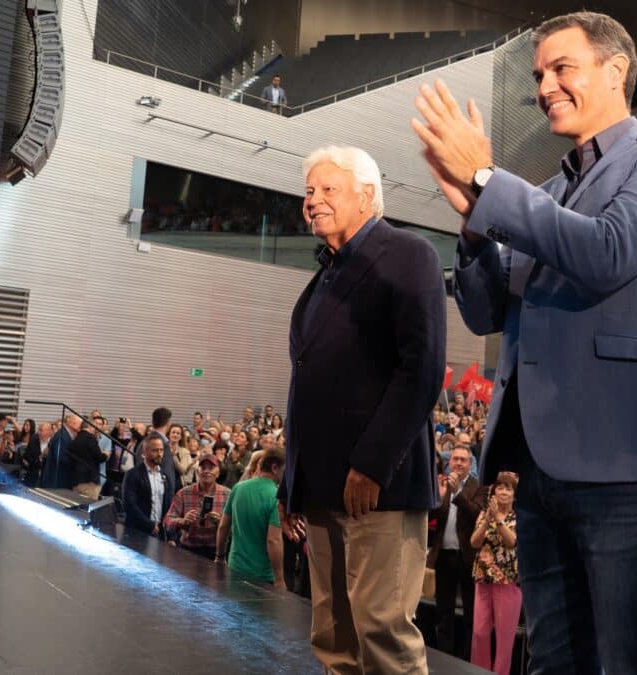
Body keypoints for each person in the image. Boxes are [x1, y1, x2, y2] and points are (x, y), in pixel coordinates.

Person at [415, 12, 637, 671]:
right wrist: (472, 227)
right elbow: (487, 310)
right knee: (555, 661)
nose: (545, 86)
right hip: (540, 471)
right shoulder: (545, 194)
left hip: (633, 463)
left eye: (561, 68)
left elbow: (609, 252)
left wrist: (490, 184)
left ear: (616, 71)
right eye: (538, 75)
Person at [279, 145, 445, 674]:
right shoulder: (323, 277)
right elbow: (305, 384)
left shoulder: (407, 253)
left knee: (382, 636)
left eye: (328, 189)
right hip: (323, 491)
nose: (313, 201)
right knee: (334, 637)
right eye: (309, 191)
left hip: (380, 489)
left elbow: (421, 367)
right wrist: (292, 483)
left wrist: (373, 463)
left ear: (367, 196)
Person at [427, 444, 484, 658]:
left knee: (470, 614)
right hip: (443, 557)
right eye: (455, 459)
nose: (459, 463)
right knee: (443, 612)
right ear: (449, 462)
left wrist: (457, 492)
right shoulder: (441, 484)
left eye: (463, 459)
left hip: (467, 559)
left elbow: (476, 513)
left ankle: (466, 658)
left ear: (470, 464)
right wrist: (440, 496)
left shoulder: (478, 486)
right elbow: (431, 516)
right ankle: (444, 657)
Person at [468, 472, 521, 675]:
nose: (503, 492)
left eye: (508, 488)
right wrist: (487, 519)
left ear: (515, 495)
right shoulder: (484, 514)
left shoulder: (518, 517)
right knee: (480, 633)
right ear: (493, 492)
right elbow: (474, 542)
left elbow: (511, 542)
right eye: (500, 487)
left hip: (508, 582)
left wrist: (498, 519)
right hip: (483, 577)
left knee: (504, 640)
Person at [216, 448, 286, 589]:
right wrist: (279, 578)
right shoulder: (277, 497)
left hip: (235, 567)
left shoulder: (238, 488)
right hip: (262, 575)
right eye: (285, 469)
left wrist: (220, 556)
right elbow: (273, 540)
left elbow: (223, 526)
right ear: (274, 468)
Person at [163, 453, 229, 560]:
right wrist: (183, 521)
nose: (207, 471)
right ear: (197, 471)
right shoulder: (184, 493)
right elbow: (167, 521)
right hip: (189, 550)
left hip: (216, 552)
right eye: (203, 467)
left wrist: (221, 522)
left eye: (211, 468)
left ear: (218, 473)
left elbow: (236, 527)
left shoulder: (227, 494)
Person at [122, 435, 170, 537]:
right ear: (145, 452)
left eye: (161, 450)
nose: (159, 454)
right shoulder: (133, 474)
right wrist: (149, 525)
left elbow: (167, 504)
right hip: (137, 531)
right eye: (155, 450)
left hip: (159, 531)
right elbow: (129, 505)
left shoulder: (164, 475)